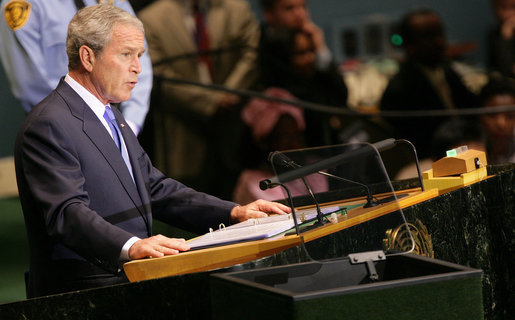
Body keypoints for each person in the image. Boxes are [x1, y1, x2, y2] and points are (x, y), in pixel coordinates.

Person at [14, 4, 290, 298]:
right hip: (82, 293)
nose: (138, 68)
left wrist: (234, 212)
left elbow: (154, 188)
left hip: (130, 285)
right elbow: (67, 214)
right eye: (126, 54)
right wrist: (131, 246)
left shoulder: (111, 115)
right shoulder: (48, 124)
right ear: (88, 57)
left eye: (140, 56)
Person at [137, 0, 260, 198]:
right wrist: (211, 102)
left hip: (235, 128)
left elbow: (251, 55)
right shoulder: (151, 19)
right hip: (183, 129)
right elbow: (158, 74)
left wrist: (227, 94)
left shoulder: (237, 9)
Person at [0, 0, 152, 135]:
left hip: (117, 121)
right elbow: (31, 84)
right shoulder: (22, 5)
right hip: (60, 129)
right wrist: (86, 128)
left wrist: (129, 124)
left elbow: (138, 56)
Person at [379, 8, 478, 160]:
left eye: (440, 34)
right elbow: (415, 142)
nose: (439, 42)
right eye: (429, 37)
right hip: (433, 160)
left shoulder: (448, 70)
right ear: (409, 45)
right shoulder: (399, 89)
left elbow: (470, 110)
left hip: (467, 149)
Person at [258, 27, 348, 147]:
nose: (310, 58)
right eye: (301, 53)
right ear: (285, 58)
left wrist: (321, 49)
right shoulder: (280, 97)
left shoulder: (314, 80)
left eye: (312, 50)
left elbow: (341, 96)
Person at [478, 75, 515, 164]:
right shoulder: (471, 147)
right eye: (492, 115)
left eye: (509, 116)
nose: (501, 124)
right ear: (480, 115)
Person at [487, 0, 515, 78]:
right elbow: (505, 69)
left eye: (513, 7)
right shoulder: (495, 34)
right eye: (503, 7)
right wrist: (505, 39)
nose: (508, 13)